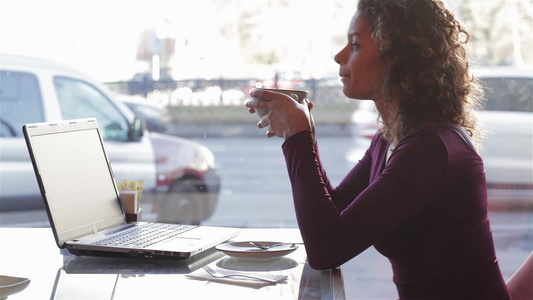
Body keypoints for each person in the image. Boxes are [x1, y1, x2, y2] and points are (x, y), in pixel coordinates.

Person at [246, 0, 510, 299]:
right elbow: (335, 211)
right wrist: (306, 136)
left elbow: (326, 249)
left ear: (396, 57)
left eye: (355, 45)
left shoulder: (430, 148)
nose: (338, 56)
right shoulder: (391, 139)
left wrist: (298, 136)